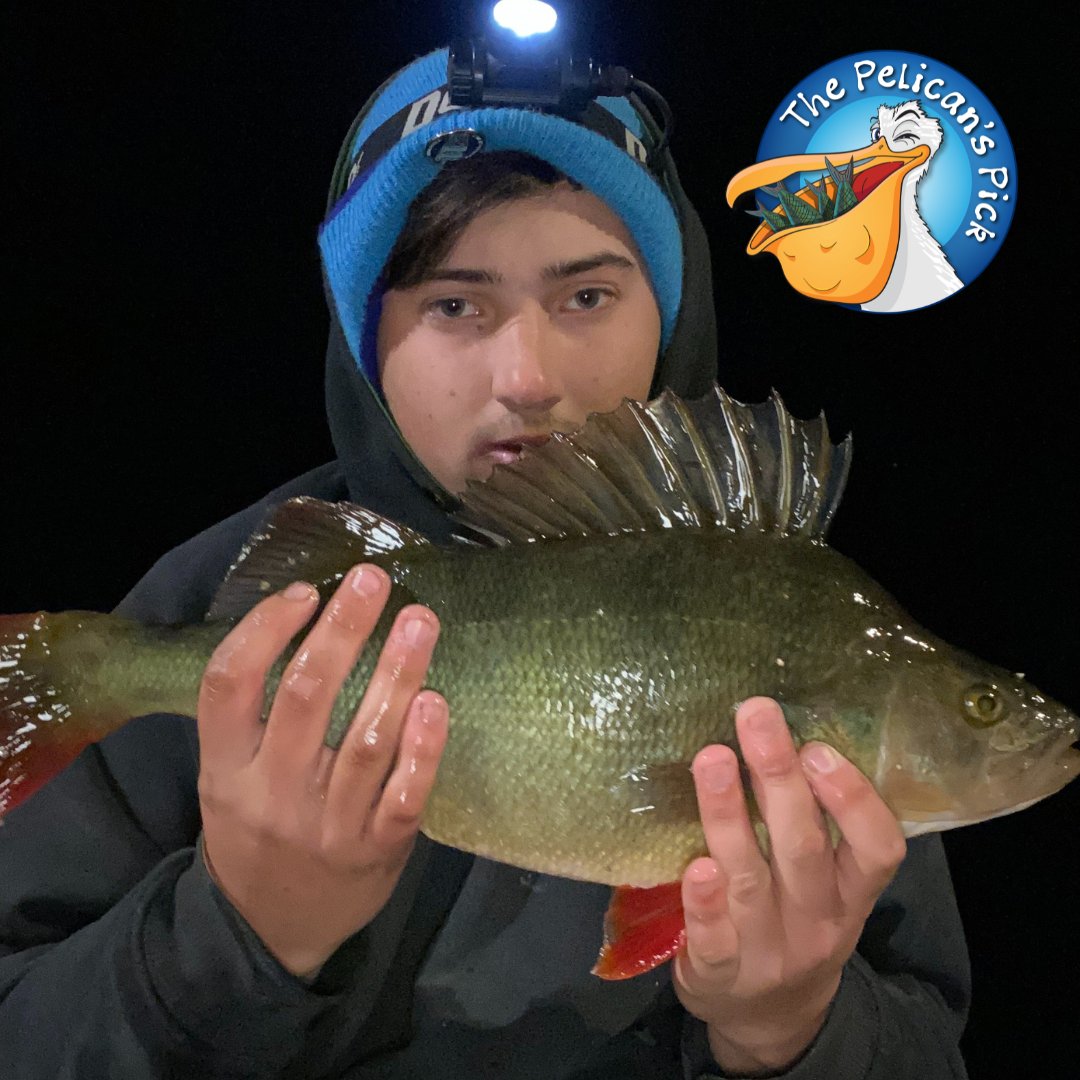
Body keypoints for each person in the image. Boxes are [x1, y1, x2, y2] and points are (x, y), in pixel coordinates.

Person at [0, 45, 971, 1078]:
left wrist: (790, 1030)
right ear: (367, 339)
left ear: (669, 313)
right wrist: (234, 933)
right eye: (455, 305)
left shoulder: (794, 625)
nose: (527, 376)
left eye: (586, 297)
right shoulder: (229, 607)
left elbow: (926, 1043)